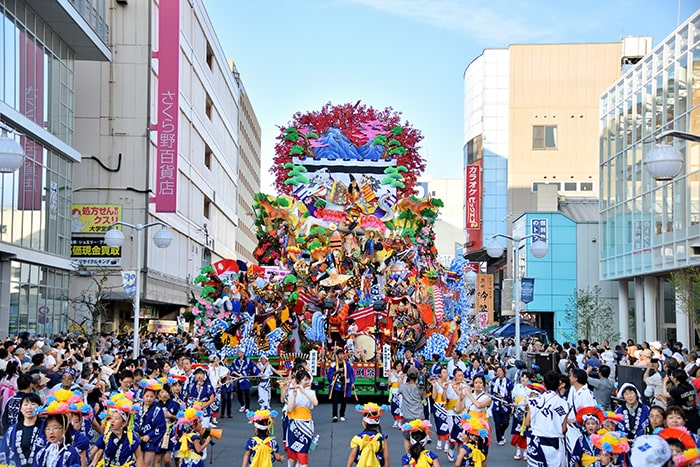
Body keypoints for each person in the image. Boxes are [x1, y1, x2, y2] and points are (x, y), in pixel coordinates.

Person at [523, 371, 569, 467]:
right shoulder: (564, 404)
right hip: (555, 443)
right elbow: (564, 428)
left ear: (544, 384)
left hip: (537, 441)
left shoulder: (534, 401)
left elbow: (527, 423)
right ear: (559, 384)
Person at [89, 393, 144, 467]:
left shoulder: (132, 437)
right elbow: (94, 451)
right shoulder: (106, 435)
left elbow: (139, 457)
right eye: (111, 418)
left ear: (124, 423)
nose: (112, 421)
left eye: (116, 419)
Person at [1, 392, 46, 467]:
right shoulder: (12, 430)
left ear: (40, 407)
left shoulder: (46, 427)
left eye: (33, 404)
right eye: (26, 404)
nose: (29, 407)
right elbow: (4, 451)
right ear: (21, 409)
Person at [285, 369, 318, 467]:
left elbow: (315, 403)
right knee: (292, 453)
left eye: (308, 379)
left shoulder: (311, 392)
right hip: (294, 425)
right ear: (299, 381)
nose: (307, 382)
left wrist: (304, 391)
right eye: (305, 380)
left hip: (306, 425)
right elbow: (290, 409)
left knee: (303, 453)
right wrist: (294, 396)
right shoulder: (293, 392)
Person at [345, 403, 390, 467]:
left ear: (364, 423)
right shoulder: (381, 438)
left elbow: (353, 455)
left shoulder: (358, 438)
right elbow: (386, 457)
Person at [565, 368, 597, 458]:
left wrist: (574, 420)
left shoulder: (586, 394)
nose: (569, 377)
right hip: (570, 428)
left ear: (576, 379)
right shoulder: (572, 389)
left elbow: (589, 414)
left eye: (571, 375)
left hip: (579, 428)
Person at [135, 379, 166, 467]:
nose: (149, 398)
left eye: (151, 397)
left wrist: (149, 436)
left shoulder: (158, 410)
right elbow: (131, 422)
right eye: (147, 396)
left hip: (150, 439)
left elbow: (161, 427)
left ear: (155, 397)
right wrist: (135, 432)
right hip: (138, 438)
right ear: (143, 396)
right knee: (138, 463)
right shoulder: (137, 407)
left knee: (147, 463)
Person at [398, 367, 426, 454]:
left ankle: (408, 456)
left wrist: (401, 379)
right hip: (419, 416)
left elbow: (399, 390)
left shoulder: (403, 387)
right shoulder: (420, 388)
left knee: (407, 438)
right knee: (420, 437)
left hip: (407, 416)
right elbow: (424, 399)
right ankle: (420, 456)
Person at [327, 349, 355, 423]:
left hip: (344, 385)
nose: (341, 356)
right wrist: (337, 371)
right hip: (336, 385)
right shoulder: (333, 364)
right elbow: (329, 374)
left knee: (344, 401)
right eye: (339, 354)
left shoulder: (347, 364)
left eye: (342, 354)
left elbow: (351, 373)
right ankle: (335, 416)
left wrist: (352, 382)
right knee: (335, 401)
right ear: (337, 355)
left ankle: (342, 415)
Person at [510, 371, 533, 460]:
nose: (523, 379)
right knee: (517, 432)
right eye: (522, 377)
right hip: (517, 411)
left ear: (529, 379)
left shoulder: (531, 389)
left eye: (526, 377)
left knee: (526, 432)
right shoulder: (517, 387)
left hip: (526, 412)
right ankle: (518, 450)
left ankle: (526, 451)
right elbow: (513, 397)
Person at [489, 366, 512, 446]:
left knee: (506, 422)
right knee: (497, 423)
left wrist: (510, 403)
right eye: (498, 371)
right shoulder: (494, 381)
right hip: (496, 404)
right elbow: (491, 392)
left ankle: (501, 433)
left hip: (505, 404)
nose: (499, 373)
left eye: (501, 371)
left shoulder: (508, 381)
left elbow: (510, 392)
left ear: (504, 372)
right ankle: (499, 439)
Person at [231, 348, 255, 413]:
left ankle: (247, 407)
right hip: (238, 379)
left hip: (245, 379)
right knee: (239, 394)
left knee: (247, 394)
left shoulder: (248, 360)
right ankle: (242, 405)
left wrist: (260, 373)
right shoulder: (235, 361)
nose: (238, 353)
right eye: (238, 352)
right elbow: (232, 369)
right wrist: (237, 375)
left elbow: (253, 367)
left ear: (243, 353)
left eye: (239, 352)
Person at [389, 360, 404, 429]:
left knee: (400, 407)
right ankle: (395, 420)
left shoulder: (402, 374)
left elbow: (401, 383)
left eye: (400, 366)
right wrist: (389, 376)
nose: (399, 367)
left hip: (399, 393)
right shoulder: (392, 373)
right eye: (398, 366)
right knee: (393, 407)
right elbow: (389, 383)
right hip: (393, 391)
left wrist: (396, 375)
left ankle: (400, 422)